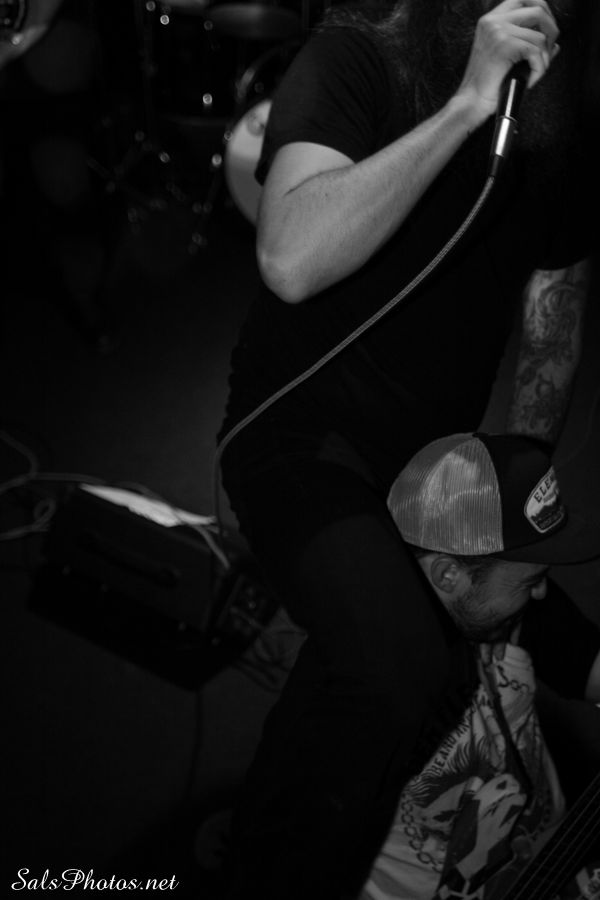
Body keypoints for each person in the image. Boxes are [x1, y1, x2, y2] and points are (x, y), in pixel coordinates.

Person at [216, 0, 596, 896]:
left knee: (483, 607)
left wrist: (511, 495)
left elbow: (554, 319)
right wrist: (465, 105)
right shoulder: (359, 51)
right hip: (300, 431)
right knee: (397, 664)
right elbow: (290, 257)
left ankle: (264, 835)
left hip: (425, 460)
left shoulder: (563, 115)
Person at [361, 430, 600, 899]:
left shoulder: (506, 605)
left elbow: (587, 659)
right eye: (530, 580)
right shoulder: (363, 690)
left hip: (553, 870)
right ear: (449, 574)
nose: (542, 592)